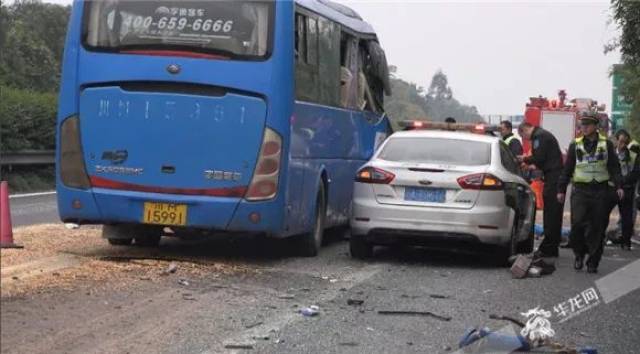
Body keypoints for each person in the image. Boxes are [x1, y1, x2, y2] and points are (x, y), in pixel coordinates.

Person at [557, 113, 623, 273]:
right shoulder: (575, 144)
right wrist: (561, 189)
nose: (584, 128)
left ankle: (593, 261)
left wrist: (619, 186)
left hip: (600, 190)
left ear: (595, 127)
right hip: (580, 191)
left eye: (587, 125)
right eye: (582, 125)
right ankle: (579, 254)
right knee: (577, 225)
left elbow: (614, 167)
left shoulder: (606, 144)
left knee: (598, 228)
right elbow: (567, 169)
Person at [518, 122, 564, 260]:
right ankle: (551, 247)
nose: (526, 139)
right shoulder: (542, 135)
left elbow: (539, 158)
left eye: (524, 136)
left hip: (553, 178)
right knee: (552, 213)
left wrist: (524, 159)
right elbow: (543, 160)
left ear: (525, 130)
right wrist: (531, 165)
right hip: (553, 176)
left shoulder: (539, 137)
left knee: (551, 213)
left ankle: (549, 248)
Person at [613, 130, 639, 250]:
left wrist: (622, 182)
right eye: (620, 141)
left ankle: (625, 241)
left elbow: (636, 172)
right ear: (616, 140)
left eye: (625, 142)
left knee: (627, 217)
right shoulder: (611, 152)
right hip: (611, 188)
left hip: (627, 188)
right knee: (600, 215)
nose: (622, 145)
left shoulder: (633, 154)